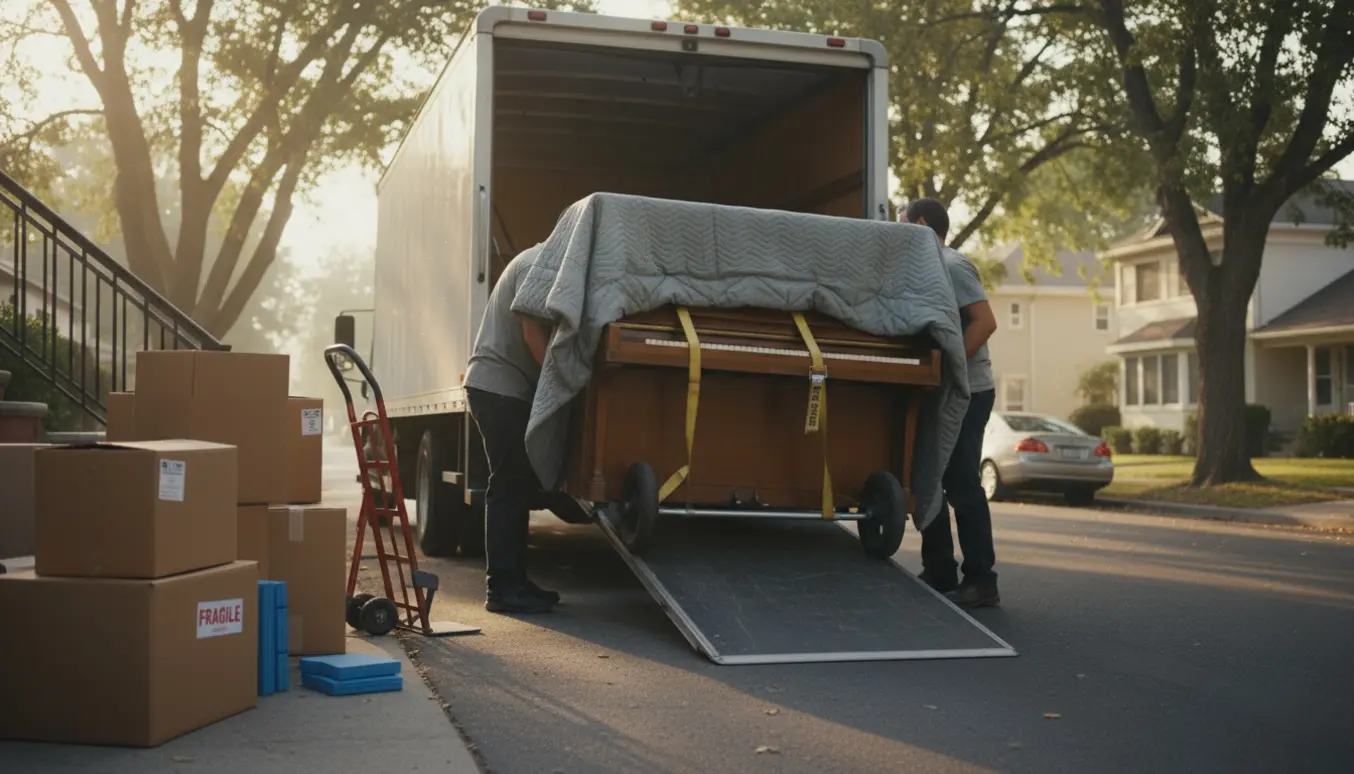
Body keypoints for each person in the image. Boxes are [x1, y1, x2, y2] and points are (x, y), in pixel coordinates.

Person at [902, 198, 1001, 607]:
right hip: (939, 388)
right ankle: (940, 569)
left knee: (961, 483)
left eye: (904, 224)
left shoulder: (952, 264)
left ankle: (981, 581)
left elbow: (985, 321)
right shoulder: (924, 269)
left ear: (923, 225)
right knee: (929, 476)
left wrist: (949, 368)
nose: (900, 231)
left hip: (969, 391)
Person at [463, 249, 559, 614]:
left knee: (516, 485)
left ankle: (515, 582)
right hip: (499, 388)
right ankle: (502, 588)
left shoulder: (540, 262)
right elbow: (532, 330)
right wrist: (557, 382)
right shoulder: (540, 263)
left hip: (502, 388)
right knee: (507, 486)